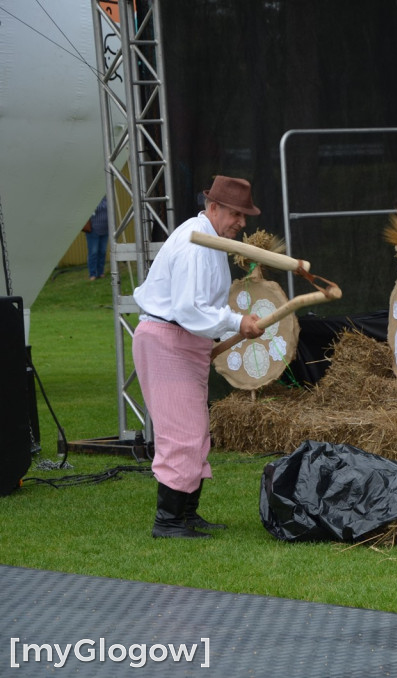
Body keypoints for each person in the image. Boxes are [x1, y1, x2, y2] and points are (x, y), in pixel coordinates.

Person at [132, 175, 263, 538]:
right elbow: (190, 309)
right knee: (182, 432)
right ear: (214, 207)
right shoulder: (196, 243)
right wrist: (238, 322)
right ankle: (168, 522)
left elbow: (200, 308)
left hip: (183, 342)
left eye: (245, 215)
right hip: (167, 341)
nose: (241, 222)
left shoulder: (209, 239)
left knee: (195, 431)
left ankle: (187, 514)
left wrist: (234, 325)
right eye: (237, 213)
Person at [84, 195, 110, 280]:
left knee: (102, 251)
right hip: (93, 229)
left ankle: (100, 272)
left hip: (105, 229)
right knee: (93, 252)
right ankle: (92, 273)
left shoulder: (106, 198)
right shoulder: (91, 199)